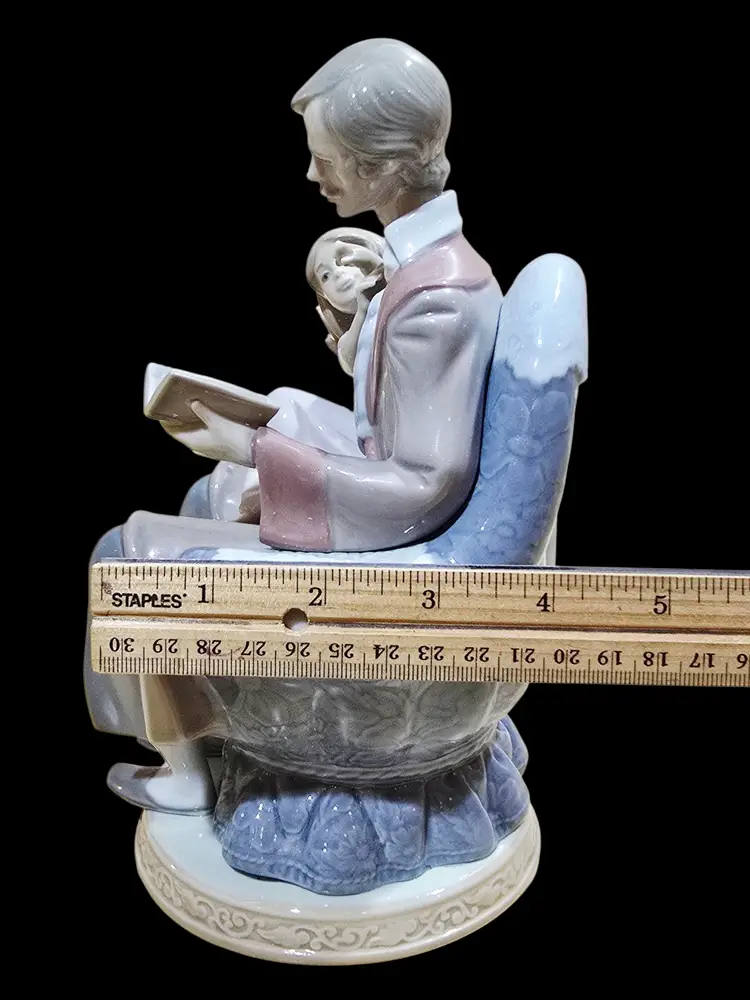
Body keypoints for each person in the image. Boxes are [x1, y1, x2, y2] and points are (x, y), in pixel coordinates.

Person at [87, 38, 514, 820]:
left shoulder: (439, 300)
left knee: (129, 556)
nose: (314, 176)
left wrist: (258, 448)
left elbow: (426, 483)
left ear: (383, 167)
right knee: (214, 483)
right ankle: (212, 718)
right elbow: (403, 422)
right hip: (383, 497)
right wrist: (344, 356)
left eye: (326, 158)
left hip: (406, 540)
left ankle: (185, 768)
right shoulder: (426, 270)